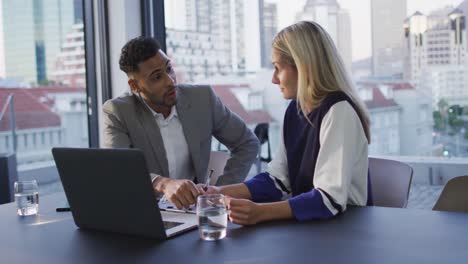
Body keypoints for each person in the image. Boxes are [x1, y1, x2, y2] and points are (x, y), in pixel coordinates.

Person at [206, 21, 372, 225]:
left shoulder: (339, 112)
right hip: (312, 228)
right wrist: (217, 192)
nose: (274, 79)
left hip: (345, 231)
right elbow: (277, 180)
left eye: (278, 68)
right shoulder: (295, 110)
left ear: (303, 67)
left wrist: (259, 212)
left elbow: (330, 200)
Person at [102, 36, 259, 209]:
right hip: (143, 211)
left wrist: (219, 192)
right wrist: (163, 184)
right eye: (156, 77)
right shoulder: (118, 112)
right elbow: (118, 170)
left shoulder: (202, 99)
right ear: (135, 86)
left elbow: (247, 143)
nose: (170, 81)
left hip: (195, 212)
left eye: (169, 69)